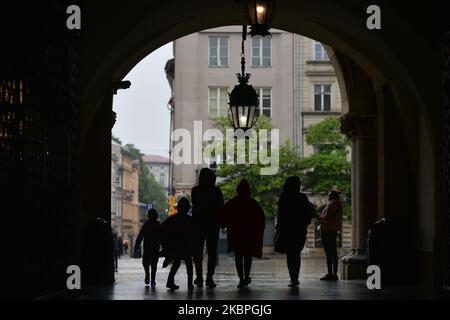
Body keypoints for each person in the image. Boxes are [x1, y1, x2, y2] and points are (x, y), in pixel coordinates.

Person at [220, 179, 265, 289]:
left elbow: (223, 216)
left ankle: (241, 278)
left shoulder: (232, 203)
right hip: (249, 234)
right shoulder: (253, 204)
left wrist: (223, 225)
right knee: (248, 256)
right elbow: (260, 219)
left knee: (238, 256)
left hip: (235, 234)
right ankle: (246, 276)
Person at [277, 176, 315, 287]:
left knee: (290, 254)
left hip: (287, 229)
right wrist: (304, 223)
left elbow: (281, 213)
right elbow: (308, 214)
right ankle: (295, 278)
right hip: (299, 229)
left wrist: (280, 226)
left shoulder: (284, 196)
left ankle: (293, 278)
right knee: (296, 253)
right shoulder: (302, 197)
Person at [191, 168, 224, 288]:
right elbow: (221, 207)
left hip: (198, 225)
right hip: (213, 225)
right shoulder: (216, 191)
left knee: (198, 253)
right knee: (212, 252)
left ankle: (199, 277)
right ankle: (209, 278)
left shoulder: (195, 191)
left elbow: (196, 207)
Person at [161, 198, 195, 290]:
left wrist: (165, 246)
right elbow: (195, 233)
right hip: (186, 246)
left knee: (176, 263)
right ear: (188, 209)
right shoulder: (190, 220)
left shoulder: (172, 219)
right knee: (189, 264)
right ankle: (190, 284)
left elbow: (162, 230)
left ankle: (170, 281)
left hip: (175, 246)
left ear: (178, 208)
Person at [316, 190, 343, 281]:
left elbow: (326, 218)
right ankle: (335, 273)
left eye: (329, 195)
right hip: (334, 230)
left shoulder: (330, 205)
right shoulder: (339, 204)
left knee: (328, 253)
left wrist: (316, 215)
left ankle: (329, 273)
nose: (328, 197)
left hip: (327, 230)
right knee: (334, 252)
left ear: (332, 196)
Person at [134, 209, 162, 288]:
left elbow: (140, 236)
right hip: (155, 248)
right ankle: (152, 280)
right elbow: (162, 237)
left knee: (145, 263)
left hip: (147, 248)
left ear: (148, 216)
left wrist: (136, 246)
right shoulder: (158, 225)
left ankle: (147, 274)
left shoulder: (146, 225)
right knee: (154, 265)